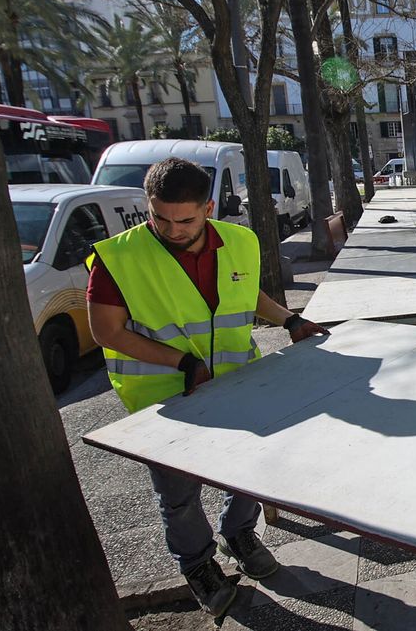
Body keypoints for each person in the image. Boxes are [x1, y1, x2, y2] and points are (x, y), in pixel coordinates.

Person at [86, 157, 328, 618]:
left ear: (209, 207)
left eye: (185, 220)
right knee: (179, 496)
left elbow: (247, 296)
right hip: (165, 401)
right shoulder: (117, 257)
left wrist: (289, 319)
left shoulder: (240, 240)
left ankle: (239, 533)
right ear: (148, 206)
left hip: (239, 382)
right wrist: (180, 362)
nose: (172, 229)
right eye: (160, 218)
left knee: (250, 471)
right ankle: (198, 565)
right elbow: (107, 332)